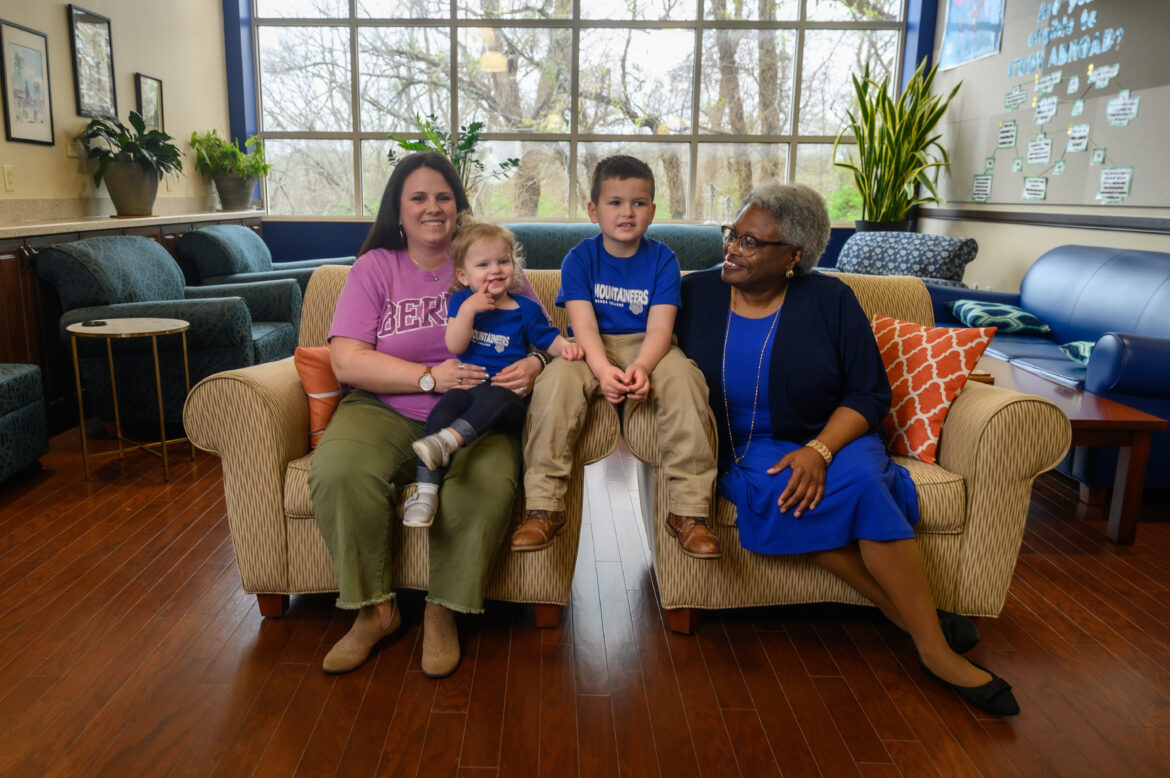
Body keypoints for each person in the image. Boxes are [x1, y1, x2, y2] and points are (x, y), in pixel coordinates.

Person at [673, 182, 1019, 717]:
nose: (732, 249)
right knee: (782, 492)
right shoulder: (694, 293)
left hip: (831, 432)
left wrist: (820, 451)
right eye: (732, 234)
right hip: (743, 446)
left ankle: (932, 651)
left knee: (863, 485)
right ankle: (911, 619)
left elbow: (867, 393)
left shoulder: (830, 299)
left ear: (794, 257)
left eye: (751, 242)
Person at [307, 152, 545, 679]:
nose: (432, 208)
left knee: (483, 484)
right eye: (418, 197)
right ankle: (375, 610)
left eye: (443, 197)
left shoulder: (494, 264)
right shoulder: (376, 268)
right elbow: (347, 360)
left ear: (459, 207)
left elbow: (543, 338)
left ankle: (444, 609)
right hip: (386, 407)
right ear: (398, 210)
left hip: (478, 414)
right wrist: (427, 377)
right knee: (338, 470)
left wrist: (534, 364)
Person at [513, 154, 720, 558]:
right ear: (594, 210)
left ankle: (690, 513)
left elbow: (662, 329)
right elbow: (583, 327)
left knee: (686, 380)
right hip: (591, 346)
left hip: (650, 344)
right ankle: (544, 507)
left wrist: (642, 366)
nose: (628, 212)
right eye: (615, 202)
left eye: (639, 203)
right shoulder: (579, 258)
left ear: (653, 211)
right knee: (554, 382)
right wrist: (603, 368)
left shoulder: (663, 259)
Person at [403, 221, 584, 527]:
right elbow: (454, 344)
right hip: (468, 389)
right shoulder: (461, 302)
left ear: (514, 266)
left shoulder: (525, 308)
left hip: (508, 397)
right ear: (464, 275)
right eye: (483, 264)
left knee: (496, 396)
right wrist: (470, 311)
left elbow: (547, 340)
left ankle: (447, 442)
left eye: (503, 261)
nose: (496, 270)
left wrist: (567, 348)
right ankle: (426, 490)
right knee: (444, 408)